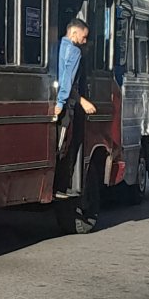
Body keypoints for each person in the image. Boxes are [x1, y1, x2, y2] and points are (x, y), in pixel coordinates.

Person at [53, 18, 97, 198]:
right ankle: (59, 185)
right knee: (63, 144)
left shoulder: (57, 46)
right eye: (83, 37)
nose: (84, 41)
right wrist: (61, 103)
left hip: (59, 98)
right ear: (74, 33)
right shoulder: (74, 52)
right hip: (65, 105)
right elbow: (67, 80)